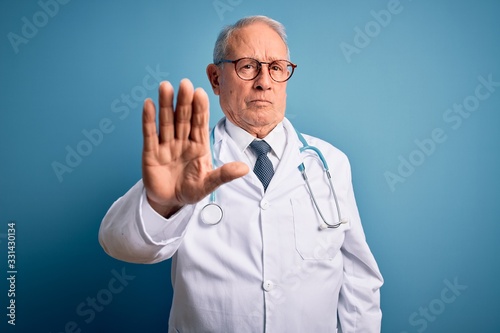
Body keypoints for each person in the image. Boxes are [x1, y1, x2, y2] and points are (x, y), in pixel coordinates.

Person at [99, 15, 383, 332]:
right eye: (247, 66)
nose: (264, 81)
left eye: (276, 67)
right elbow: (121, 245)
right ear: (216, 78)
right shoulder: (189, 162)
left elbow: (359, 278)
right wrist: (164, 202)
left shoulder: (330, 163)